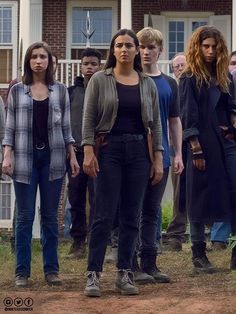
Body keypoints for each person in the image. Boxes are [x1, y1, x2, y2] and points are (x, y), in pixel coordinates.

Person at [82, 28, 163, 297]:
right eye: (120, 45)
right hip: (109, 150)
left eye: (130, 45)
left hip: (140, 151)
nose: (125, 49)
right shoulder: (99, 80)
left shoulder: (146, 83)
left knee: (132, 215)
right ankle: (93, 274)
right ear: (113, 50)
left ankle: (124, 272)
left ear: (137, 50)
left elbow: (156, 124)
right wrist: (88, 151)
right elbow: (89, 118)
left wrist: (158, 157)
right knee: (103, 215)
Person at [2, 41, 79, 287]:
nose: (38, 61)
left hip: (54, 159)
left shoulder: (60, 91)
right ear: (28, 61)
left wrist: (73, 155)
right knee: (24, 217)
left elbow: (67, 128)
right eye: (34, 56)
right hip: (24, 160)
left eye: (43, 57)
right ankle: (21, 272)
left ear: (49, 61)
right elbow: (9, 127)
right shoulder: (17, 91)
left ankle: (51, 270)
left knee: (49, 217)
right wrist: (6, 155)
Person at [179, 26, 236, 274]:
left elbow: (232, 106)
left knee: (234, 192)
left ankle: (234, 248)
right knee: (198, 197)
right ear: (198, 47)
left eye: (214, 46)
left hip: (226, 142)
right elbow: (187, 115)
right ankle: (198, 255)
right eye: (206, 46)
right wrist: (196, 148)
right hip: (201, 143)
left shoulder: (226, 77)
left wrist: (232, 125)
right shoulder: (189, 77)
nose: (211, 51)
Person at [133, 27, 183, 284]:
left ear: (159, 50)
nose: (145, 52)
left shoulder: (169, 83)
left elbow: (174, 120)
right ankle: (130, 264)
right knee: (132, 210)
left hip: (161, 156)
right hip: (134, 156)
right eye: (141, 47)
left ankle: (150, 263)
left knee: (151, 211)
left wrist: (178, 154)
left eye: (151, 47)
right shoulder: (130, 79)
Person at [66, 48, 101, 259]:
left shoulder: (104, 89)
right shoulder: (71, 92)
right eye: (86, 63)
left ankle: (97, 241)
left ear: (100, 66)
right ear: (81, 66)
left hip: (100, 153)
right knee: (76, 197)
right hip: (76, 154)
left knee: (98, 198)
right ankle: (78, 241)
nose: (89, 67)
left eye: (94, 64)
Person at [210, 50, 236, 250]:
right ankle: (220, 237)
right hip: (227, 143)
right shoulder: (225, 83)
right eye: (233, 63)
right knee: (225, 186)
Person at [163, 52, 188, 251]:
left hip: (197, 146)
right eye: (175, 66)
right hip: (174, 148)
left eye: (182, 65)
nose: (179, 69)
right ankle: (175, 235)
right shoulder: (171, 89)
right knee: (179, 191)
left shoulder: (194, 86)